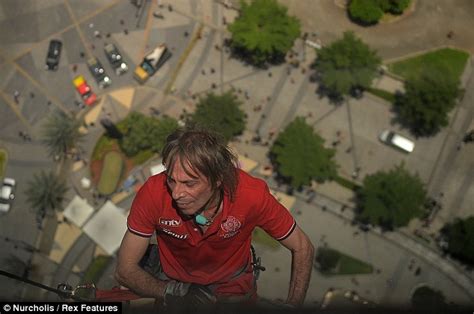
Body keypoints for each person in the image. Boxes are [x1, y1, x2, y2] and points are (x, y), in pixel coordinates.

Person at [115, 127, 314, 308]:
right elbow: (124, 270)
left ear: (217, 179)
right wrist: (171, 292)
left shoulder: (251, 195)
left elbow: (302, 246)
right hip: (176, 288)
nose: (176, 193)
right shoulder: (154, 193)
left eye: (189, 184)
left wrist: (294, 305)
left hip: (233, 289)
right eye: (171, 180)